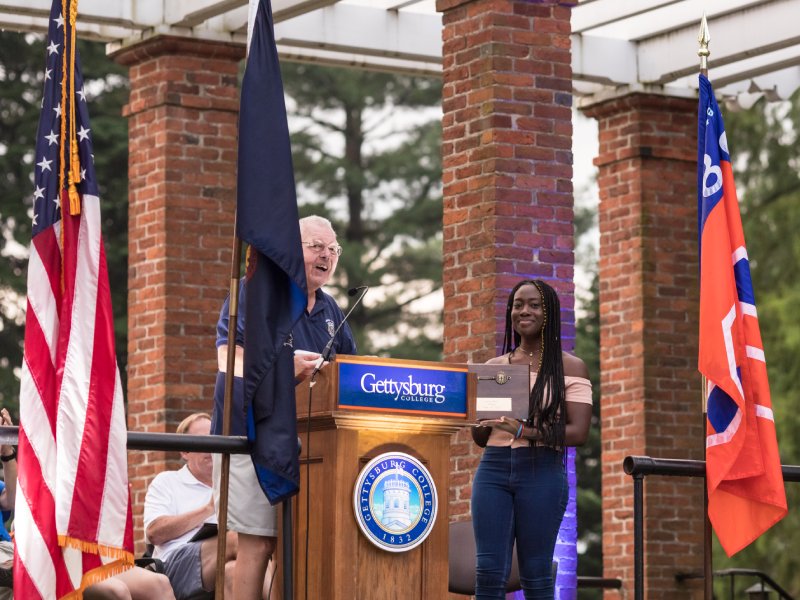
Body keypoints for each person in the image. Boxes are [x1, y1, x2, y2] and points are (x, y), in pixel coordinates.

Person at [213, 215, 356, 599]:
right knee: (259, 543)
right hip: (251, 434)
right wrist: (283, 371)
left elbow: (352, 377)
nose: (327, 255)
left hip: (312, 445)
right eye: (316, 247)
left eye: (333, 249)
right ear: (293, 249)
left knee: (297, 545)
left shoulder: (332, 313)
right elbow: (229, 360)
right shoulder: (255, 293)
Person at [470, 280, 593, 599]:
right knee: (488, 573)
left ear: (549, 312)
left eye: (534, 305)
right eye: (518, 305)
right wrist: (478, 416)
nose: (524, 311)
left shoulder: (570, 367)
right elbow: (481, 437)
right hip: (493, 471)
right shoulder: (495, 368)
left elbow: (578, 432)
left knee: (536, 574)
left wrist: (525, 431)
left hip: (542, 471)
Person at [0, 408, 174, 600]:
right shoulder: (37, 471)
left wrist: (7, 451)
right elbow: (22, 506)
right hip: (37, 552)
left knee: (159, 584)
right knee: (117, 592)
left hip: (79, 550)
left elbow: (11, 498)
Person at [143, 413, 237, 599]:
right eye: (203, 442)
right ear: (185, 452)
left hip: (221, 562)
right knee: (240, 539)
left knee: (234, 572)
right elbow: (154, 533)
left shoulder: (232, 483)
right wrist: (208, 509)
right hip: (174, 566)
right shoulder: (167, 481)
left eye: (215, 439)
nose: (212, 448)